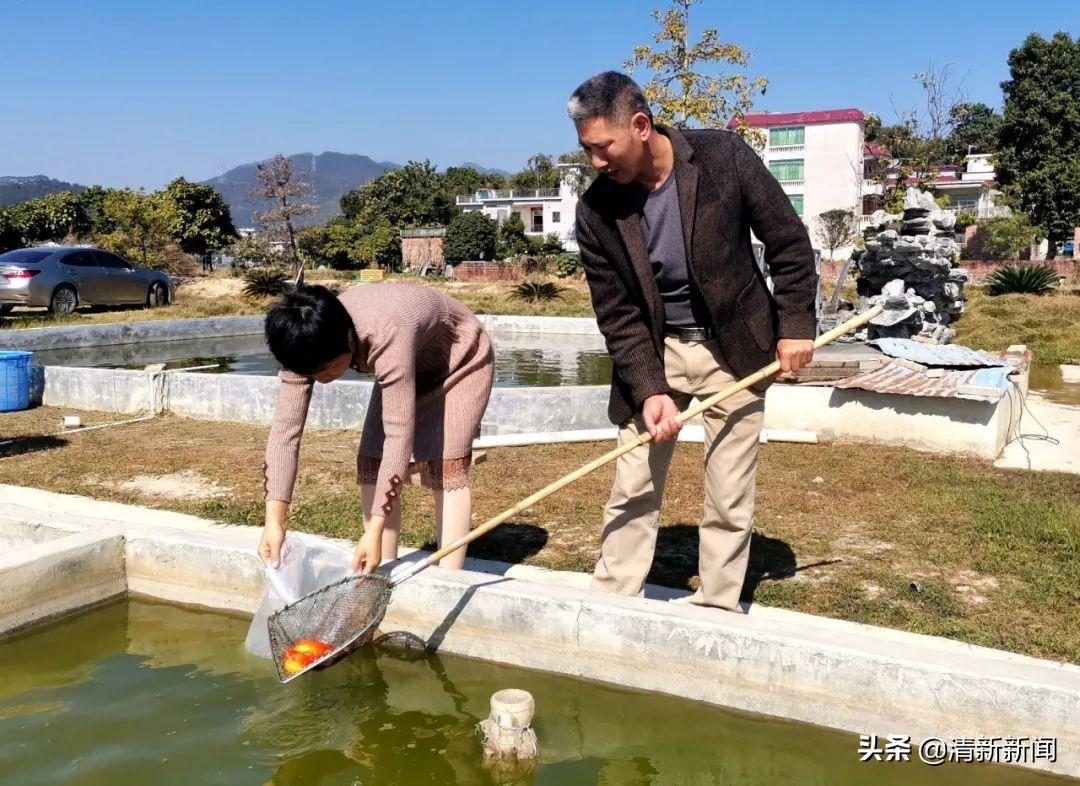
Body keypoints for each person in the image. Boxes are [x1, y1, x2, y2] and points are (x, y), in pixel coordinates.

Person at [567, 72, 818, 611]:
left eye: (602, 147)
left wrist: (796, 324)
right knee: (632, 482)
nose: (595, 162)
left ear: (639, 125)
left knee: (728, 490)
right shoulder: (595, 212)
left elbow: (789, 244)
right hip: (655, 353)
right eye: (586, 149)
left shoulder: (723, 156)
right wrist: (650, 387)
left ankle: (717, 605)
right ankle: (612, 600)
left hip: (735, 349)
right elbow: (618, 314)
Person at [258, 283, 494, 575]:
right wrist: (274, 521)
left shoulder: (384, 333)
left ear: (347, 337)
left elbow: (399, 437)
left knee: (446, 465)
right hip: (405, 358)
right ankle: (379, 570)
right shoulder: (302, 342)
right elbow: (284, 433)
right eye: (311, 373)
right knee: (372, 457)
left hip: (458, 357)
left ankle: (448, 577)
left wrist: (374, 530)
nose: (320, 378)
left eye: (327, 368)